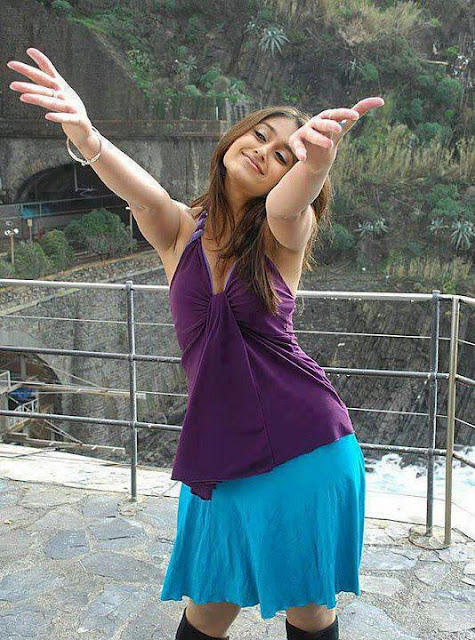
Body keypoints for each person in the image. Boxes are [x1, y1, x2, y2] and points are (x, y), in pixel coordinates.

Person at [7, 47, 385, 640]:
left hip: (305, 445)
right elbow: (138, 190)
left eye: (282, 155)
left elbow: (289, 204)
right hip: (219, 448)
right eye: (260, 136)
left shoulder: (285, 233)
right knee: (207, 609)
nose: (264, 152)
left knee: (309, 610)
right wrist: (85, 134)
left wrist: (314, 165)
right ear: (234, 137)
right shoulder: (178, 231)